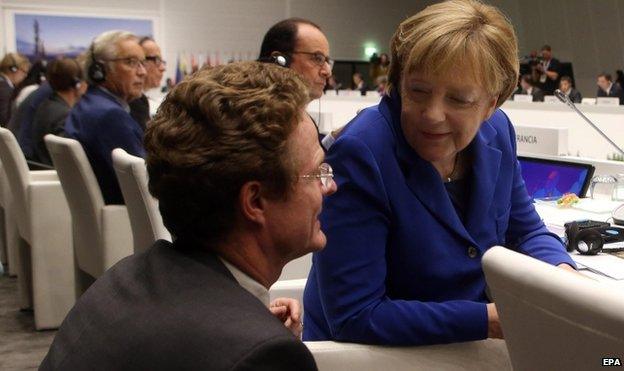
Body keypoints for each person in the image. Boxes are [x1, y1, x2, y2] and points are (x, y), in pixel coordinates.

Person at [303, 0, 576, 346]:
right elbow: (356, 316)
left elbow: (523, 231)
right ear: (399, 84)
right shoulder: (362, 152)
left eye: (458, 100)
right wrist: (490, 320)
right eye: (418, 91)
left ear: (492, 103)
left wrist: (565, 279)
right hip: (374, 357)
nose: (432, 115)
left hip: (462, 347)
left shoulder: (497, 131)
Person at [40, 61, 334, 370]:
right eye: (317, 174)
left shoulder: (122, 281)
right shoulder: (262, 354)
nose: (331, 186)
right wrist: (257, 341)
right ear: (255, 202)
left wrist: (253, 324)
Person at [64, 30, 146, 204]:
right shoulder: (111, 117)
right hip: (127, 217)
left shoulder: (87, 105)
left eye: (142, 63)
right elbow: (145, 183)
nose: (143, 72)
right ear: (99, 70)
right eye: (131, 62)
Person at [258, 18, 333, 146]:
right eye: (317, 58)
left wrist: (333, 138)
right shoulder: (256, 125)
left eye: (327, 60)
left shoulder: (298, 120)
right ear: (280, 62)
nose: (328, 71)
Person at [32, 58, 86, 166]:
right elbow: (68, 161)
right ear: (77, 84)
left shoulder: (46, 105)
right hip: (56, 177)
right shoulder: (64, 116)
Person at [129, 36, 166, 129]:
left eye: (162, 61)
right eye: (157, 60)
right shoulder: (131, 102)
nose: (163, 68)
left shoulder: (141, 100)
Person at [0, 52, 30, 127]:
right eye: (24, 71)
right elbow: (5, 121)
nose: (25, 75)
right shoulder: (4, 89)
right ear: (13, 69)